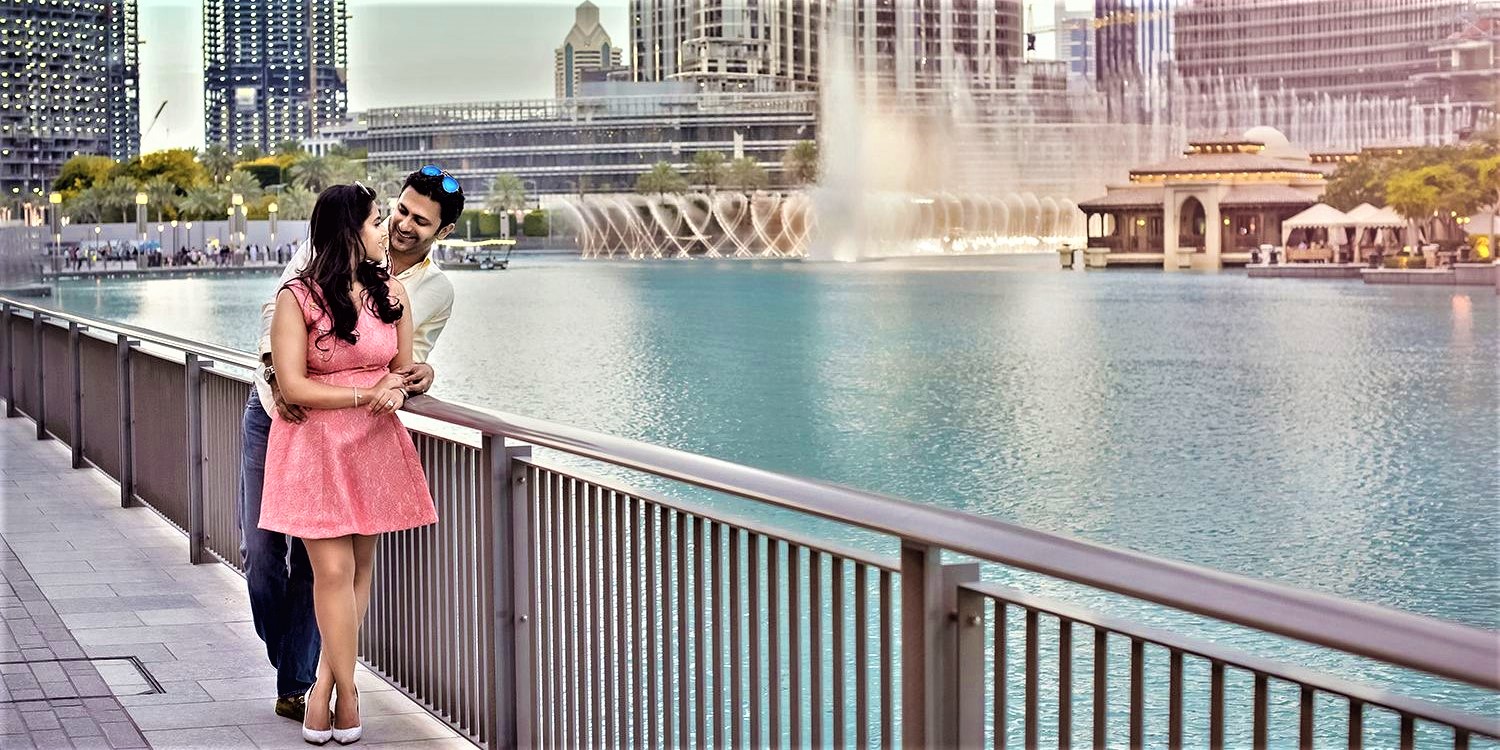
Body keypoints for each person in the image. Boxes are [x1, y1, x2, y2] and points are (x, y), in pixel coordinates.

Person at [237, 166, 462, 726]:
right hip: (279, 418)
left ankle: (310, 687)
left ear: (441, 232)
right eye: (397, 212)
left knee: (329, 572)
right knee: (262, 561)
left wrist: (422, 374)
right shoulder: (318, 257)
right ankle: (300, 667)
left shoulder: (428, 291)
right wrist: (281, 378)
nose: (401, 225)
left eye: (419, 220)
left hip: (360, 438)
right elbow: (279, 323)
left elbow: (404, 363)